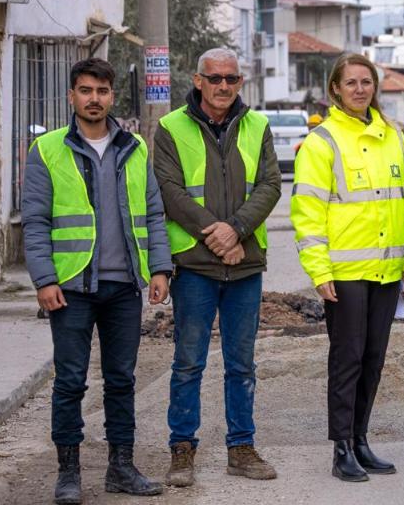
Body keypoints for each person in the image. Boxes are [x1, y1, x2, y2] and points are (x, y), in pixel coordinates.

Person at [22, 58, 172, 502]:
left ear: (112, 96)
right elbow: (35, 221)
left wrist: (159, 268)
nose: (94, 99)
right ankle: (68, 473)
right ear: (71, 96)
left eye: (102, 91)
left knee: (122, 379)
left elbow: (154, 214)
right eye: (85, 91)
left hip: (124, 285)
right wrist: (44, 279)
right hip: (70, 288)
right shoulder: (48, 149)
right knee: (70, 380)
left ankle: (121, 468)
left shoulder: (136, 148)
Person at [153, 47, 282, 486]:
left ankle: (241, 448)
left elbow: (269, 185)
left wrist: (238, 231)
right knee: (188, 362)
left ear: (240, 83)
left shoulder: (258, 125)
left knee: (242, 364)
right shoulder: (170, 127)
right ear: (198, 80)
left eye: (231, 78)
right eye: (215, 78)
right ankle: (181, 449)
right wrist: (219, 234)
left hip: (244, 265)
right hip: (196, 266)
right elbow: (170, 191)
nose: (223, 86)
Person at [290, 53, 404, 482]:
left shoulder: (393, 137)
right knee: (346, 359)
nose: (360, 89)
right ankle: (341, 446)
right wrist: (319, 270)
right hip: (345, 274)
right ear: (335, 90)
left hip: (385, 271)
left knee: (373, 358)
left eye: (367, 82)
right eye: (351, 83)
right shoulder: (322, 142)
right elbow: (307, 212)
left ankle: (361, 439)